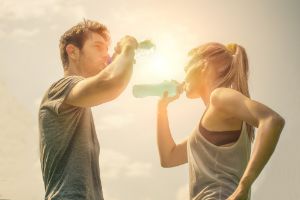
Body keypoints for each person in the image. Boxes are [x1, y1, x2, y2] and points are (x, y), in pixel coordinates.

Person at [156, 42, 285, 200]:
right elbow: (169, 158)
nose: (184, 77)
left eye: (186, 69)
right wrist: (162, 108)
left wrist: (243, 188)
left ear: (203, 64)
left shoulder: (219, 97)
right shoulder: (209, 121)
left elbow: (272, 120)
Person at [38, 19, 138, 200]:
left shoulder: (78, 99)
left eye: (107, 50)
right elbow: (110, 84)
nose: (106, 56)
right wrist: (128, 48)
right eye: (98, 47)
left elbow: (110, 80)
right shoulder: (62, 87)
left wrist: (120, 60)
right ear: (73, 51)